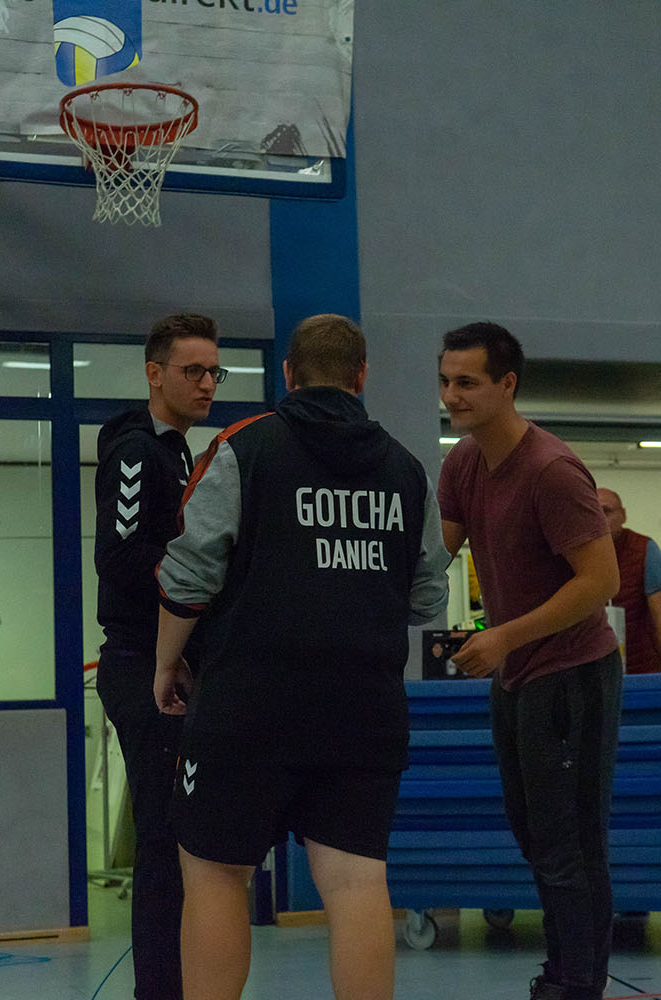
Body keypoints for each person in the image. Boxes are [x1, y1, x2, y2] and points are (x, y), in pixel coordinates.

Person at [154, 314, 450, 1000]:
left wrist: (167, 665)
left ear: (288, 375)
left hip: (247, 705)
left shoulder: (243, 448)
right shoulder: (407, 469)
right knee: (355, 881)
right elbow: (427, 596)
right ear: (361, 377)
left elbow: (188, 575)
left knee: (216, 873)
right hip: (364, 709)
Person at [435, 321, 622, 1000]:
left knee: (569, 845)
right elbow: (434, 557)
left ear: (507, 385)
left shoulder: (551, 471)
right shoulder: (462, 463)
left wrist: (505, 636)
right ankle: (564, 973)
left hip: (571, 675)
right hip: (516, 677)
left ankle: (576, 985)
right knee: (535, 838)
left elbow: (600, 582)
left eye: (467, 383)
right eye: (445, 381)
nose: (451, 396)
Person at [93, 313, 225, 1000]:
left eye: (213, 372)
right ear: (154, 374)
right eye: (191, 371)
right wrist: (201, 583)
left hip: (175, 663)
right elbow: (119, 558)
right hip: (142, 663)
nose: (206, 384)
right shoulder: (138, 453)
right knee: (162, 844)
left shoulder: (180, 455)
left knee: (182, 842)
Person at [596, 488, 661, 673]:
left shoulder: (644, 549)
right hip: (595, 672)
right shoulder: (578, 554)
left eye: (606, 511)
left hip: (641, 669)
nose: (600, 519)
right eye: (593, 512)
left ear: (623, 515)